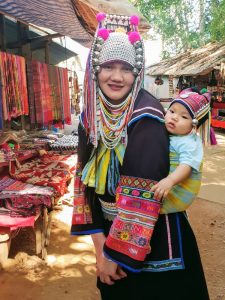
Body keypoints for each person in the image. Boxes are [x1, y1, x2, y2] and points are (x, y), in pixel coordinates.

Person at [71, 12, 209, 300]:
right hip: (110, 235)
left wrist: (113, 255)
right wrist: (100, 248)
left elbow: (142, 195)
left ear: (137, 72)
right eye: (109, 66)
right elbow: (83, 183)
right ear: (96, 68)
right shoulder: (90, 115)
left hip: (154, 238)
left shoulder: (146, 115)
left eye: (126, 68)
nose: (117, 77)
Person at [151, 88, 211, 208]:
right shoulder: (168, 132)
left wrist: (170, 181)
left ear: (194, 124)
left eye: (184, 117)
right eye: (172, 111)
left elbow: (187, 165)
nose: (174, 118)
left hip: (174, 191)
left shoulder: (189, 142)